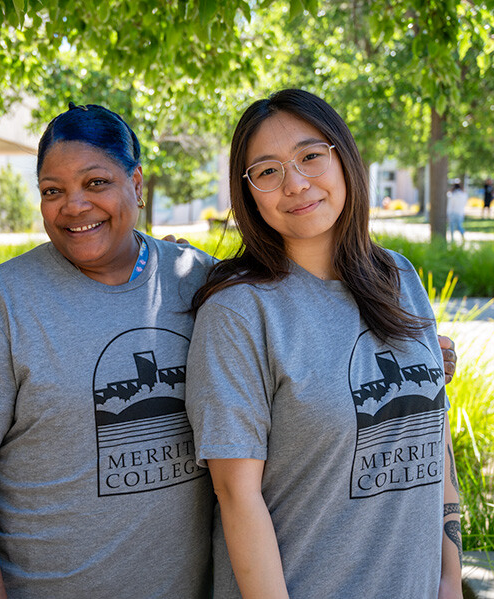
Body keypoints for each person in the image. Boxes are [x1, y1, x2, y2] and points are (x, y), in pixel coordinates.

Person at [0, 102, 459, 597]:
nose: (74, 206)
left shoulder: (193, 278)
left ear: (136, 183)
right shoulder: (7, 299)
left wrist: (424, 367)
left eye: (96, 182)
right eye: (52, 191)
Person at [185, 89, 463, 599]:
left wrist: (449, 576)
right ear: (248, 193)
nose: (295, 183)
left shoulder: (397, 276)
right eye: (267, 171)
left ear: (344, 158)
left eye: (311, 156)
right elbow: (236, 494)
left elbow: (434, 429)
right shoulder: (238, 312)